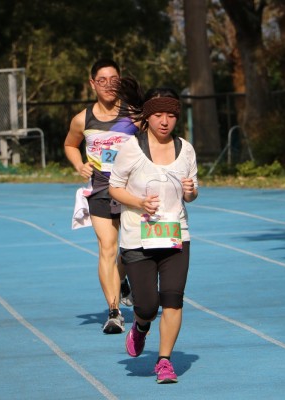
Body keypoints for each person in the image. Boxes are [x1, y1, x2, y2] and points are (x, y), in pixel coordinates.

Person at [109, 77, 198, 384]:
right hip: (138, 237)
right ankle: (141, 325)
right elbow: (114, 187)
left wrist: (191, 191)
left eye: (171, 115)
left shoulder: (186, 150)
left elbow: (192, 193)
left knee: (173, 298)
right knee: (147, 306)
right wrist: (138, 202)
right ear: (147, 115)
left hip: (176, 235)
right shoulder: (131, 148)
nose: (165, 121)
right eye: (159, 114)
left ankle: (164, 361)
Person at [64, 59, 137, 334]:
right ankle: (114, 312)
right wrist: (79, 164)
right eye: (102, 80)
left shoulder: (134, 115)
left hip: (131, 191)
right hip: (101, 190)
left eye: (113, 79)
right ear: (92, 83)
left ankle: (122, 280)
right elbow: (70, 144)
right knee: (107, 247)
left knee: (129, 249)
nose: (108, 85)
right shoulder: (82, 119)